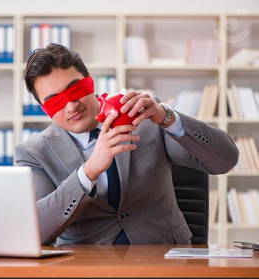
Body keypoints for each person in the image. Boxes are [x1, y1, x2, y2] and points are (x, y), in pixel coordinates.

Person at [15, 43, 239, 246]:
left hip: (164, 258)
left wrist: (167, 117)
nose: (71, 106)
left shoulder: (144, 117)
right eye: (55, 101)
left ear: (90, 82)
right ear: (42, 107)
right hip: (85, 267)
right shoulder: (34, 153)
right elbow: (37, 232)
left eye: (75, 90)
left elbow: (225, 160)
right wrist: (88, 172)